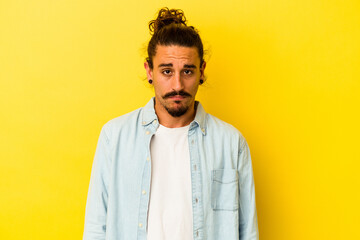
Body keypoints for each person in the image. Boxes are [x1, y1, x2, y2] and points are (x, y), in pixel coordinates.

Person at [83, 7, 259, 240]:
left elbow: (247, 231)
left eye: (187, 71)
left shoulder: (231, 143)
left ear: (202, 71)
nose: (177, 85)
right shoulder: (114, 137)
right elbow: (96, 228)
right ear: (149, 71)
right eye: (167, 71)